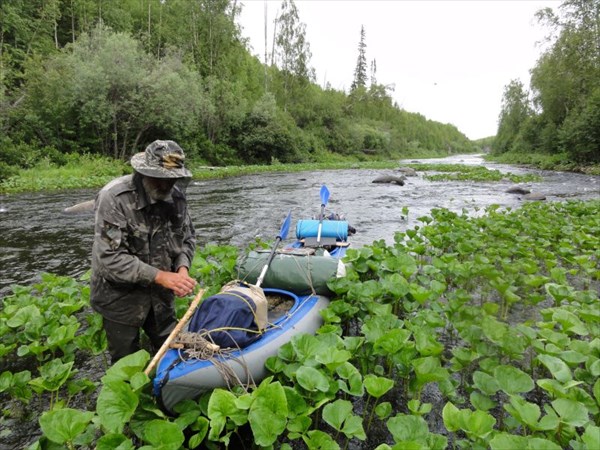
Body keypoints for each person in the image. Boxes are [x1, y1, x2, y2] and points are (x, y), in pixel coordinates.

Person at [90, 140, 197, 364]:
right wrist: (160, 276)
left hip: (160, 297)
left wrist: (182, 268)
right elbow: (110, 258)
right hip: (119, 298)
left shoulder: (177, 198)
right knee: (125, 362)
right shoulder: (114, 198)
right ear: (143, 173)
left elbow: (186, 238)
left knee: (170, 351)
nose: (166, 185)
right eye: (159, 178)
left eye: (171, 179)